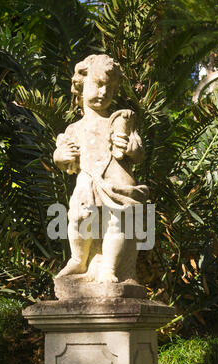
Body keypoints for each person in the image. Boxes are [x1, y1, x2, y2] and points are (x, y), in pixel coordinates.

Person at [53, 54, 148, 283]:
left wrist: (130, 148)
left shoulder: (119, 121)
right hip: (87, 182)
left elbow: (139, 154)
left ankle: (109, 268)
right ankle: (78, 259)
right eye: (98, 85)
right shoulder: (74, 128)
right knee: (78, 216)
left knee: (118, 222)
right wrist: (61, 157)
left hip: (118, 184)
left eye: (110, 89)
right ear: (81, 85)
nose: (104, 93)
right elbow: (62, 155)